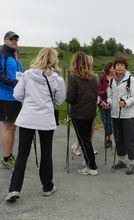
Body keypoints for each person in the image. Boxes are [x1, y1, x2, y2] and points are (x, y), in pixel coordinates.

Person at [5, 48, 66, 202]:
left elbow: (17, 94)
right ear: (54, 60)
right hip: (45, 119)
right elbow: (59, 100)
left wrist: (29, 98)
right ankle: (47, 186)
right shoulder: (57, 79)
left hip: (27, 118)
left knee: (22, 154)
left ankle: (14, 189)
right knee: (46, 152)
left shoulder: (27, 75)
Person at [66, 52, 98, 176]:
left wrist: (66, 97)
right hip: (90, 112)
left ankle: (92, 166)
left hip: (78, 113)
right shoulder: (93, 77)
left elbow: (71, 98)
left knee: (84, 140)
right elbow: (95, 95)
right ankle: (89, 162)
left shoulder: (73, 77)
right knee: (87, 139)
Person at [107, 57, 134, 175]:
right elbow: (110, 96)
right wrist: (108, 103)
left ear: (125, 67)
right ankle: (122, 160)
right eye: (117, 65)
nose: (119, 67)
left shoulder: (131, 79)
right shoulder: (111, 81)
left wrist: (125, 103)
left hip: (127, 114)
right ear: (114, 67)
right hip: (115, 114)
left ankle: (133, 162)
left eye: (122, 65)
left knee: (129, 138)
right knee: (118, 138)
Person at [0, 31, 22, 169]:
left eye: (16, 39)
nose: (14, 41)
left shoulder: (15, 55)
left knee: (13, 127)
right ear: (5, 40)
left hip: (16, 97)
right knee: (8, 127)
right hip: (5, 97)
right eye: (11, 39)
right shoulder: (1, 55)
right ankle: (6, 158)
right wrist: (16, 84)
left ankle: (9, 155)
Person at [98, 62, 115, 148]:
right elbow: (98, 91)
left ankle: (111, 139)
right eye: (113, 67)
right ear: (109, 69)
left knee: (112, 121)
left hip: (113, 103)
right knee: (105, 121)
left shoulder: (116, 78)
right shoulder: (102, 78)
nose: (114, 69)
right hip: (103, 103)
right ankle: (108, 138)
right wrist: (105, 92)